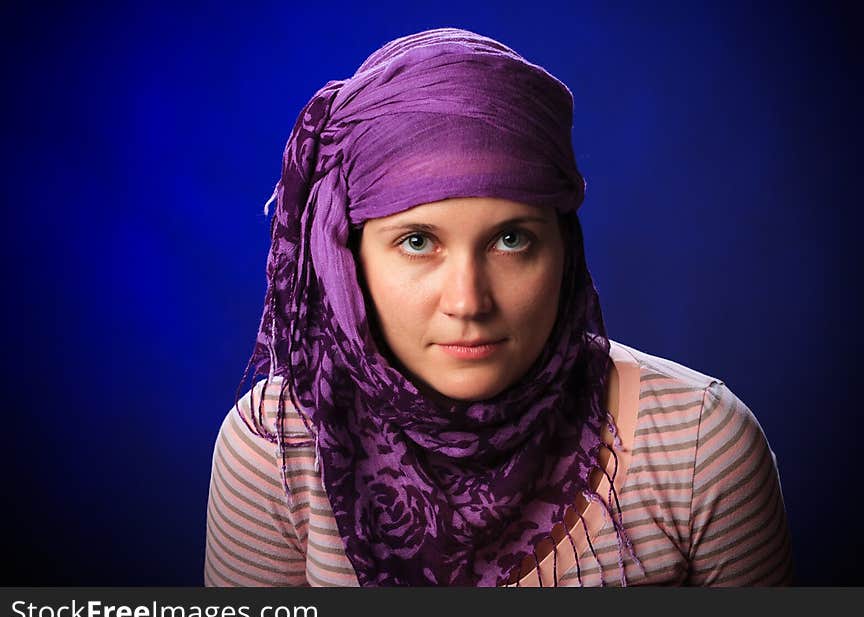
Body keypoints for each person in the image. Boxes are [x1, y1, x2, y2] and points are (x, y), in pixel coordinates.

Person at [203, 28, 793, 587]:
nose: (468, 301)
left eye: (511, 240)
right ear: (348, 258)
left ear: (565, 248)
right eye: (417, 242)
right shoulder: (278, 449)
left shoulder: (698, 444)